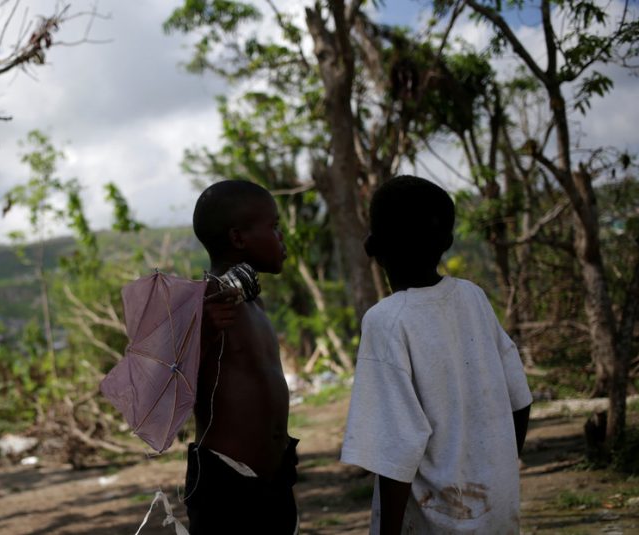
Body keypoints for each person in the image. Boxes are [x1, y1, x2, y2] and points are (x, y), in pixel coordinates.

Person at [340, 175, 533, 534]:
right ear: (447, 242)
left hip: (432, 524)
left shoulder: (386, 321)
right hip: (497, 515)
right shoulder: (473, 298)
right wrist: (500, 471)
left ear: (373, 246)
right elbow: (519, 401)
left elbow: (394, 449)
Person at [186, 179, 298, 534]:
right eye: (274, 227)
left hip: (273, 479)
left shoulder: (252, 302)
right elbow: (172, 368)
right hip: (227, 485)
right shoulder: (209, 298)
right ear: (238, 238)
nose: (281, 237)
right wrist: (202, 328)